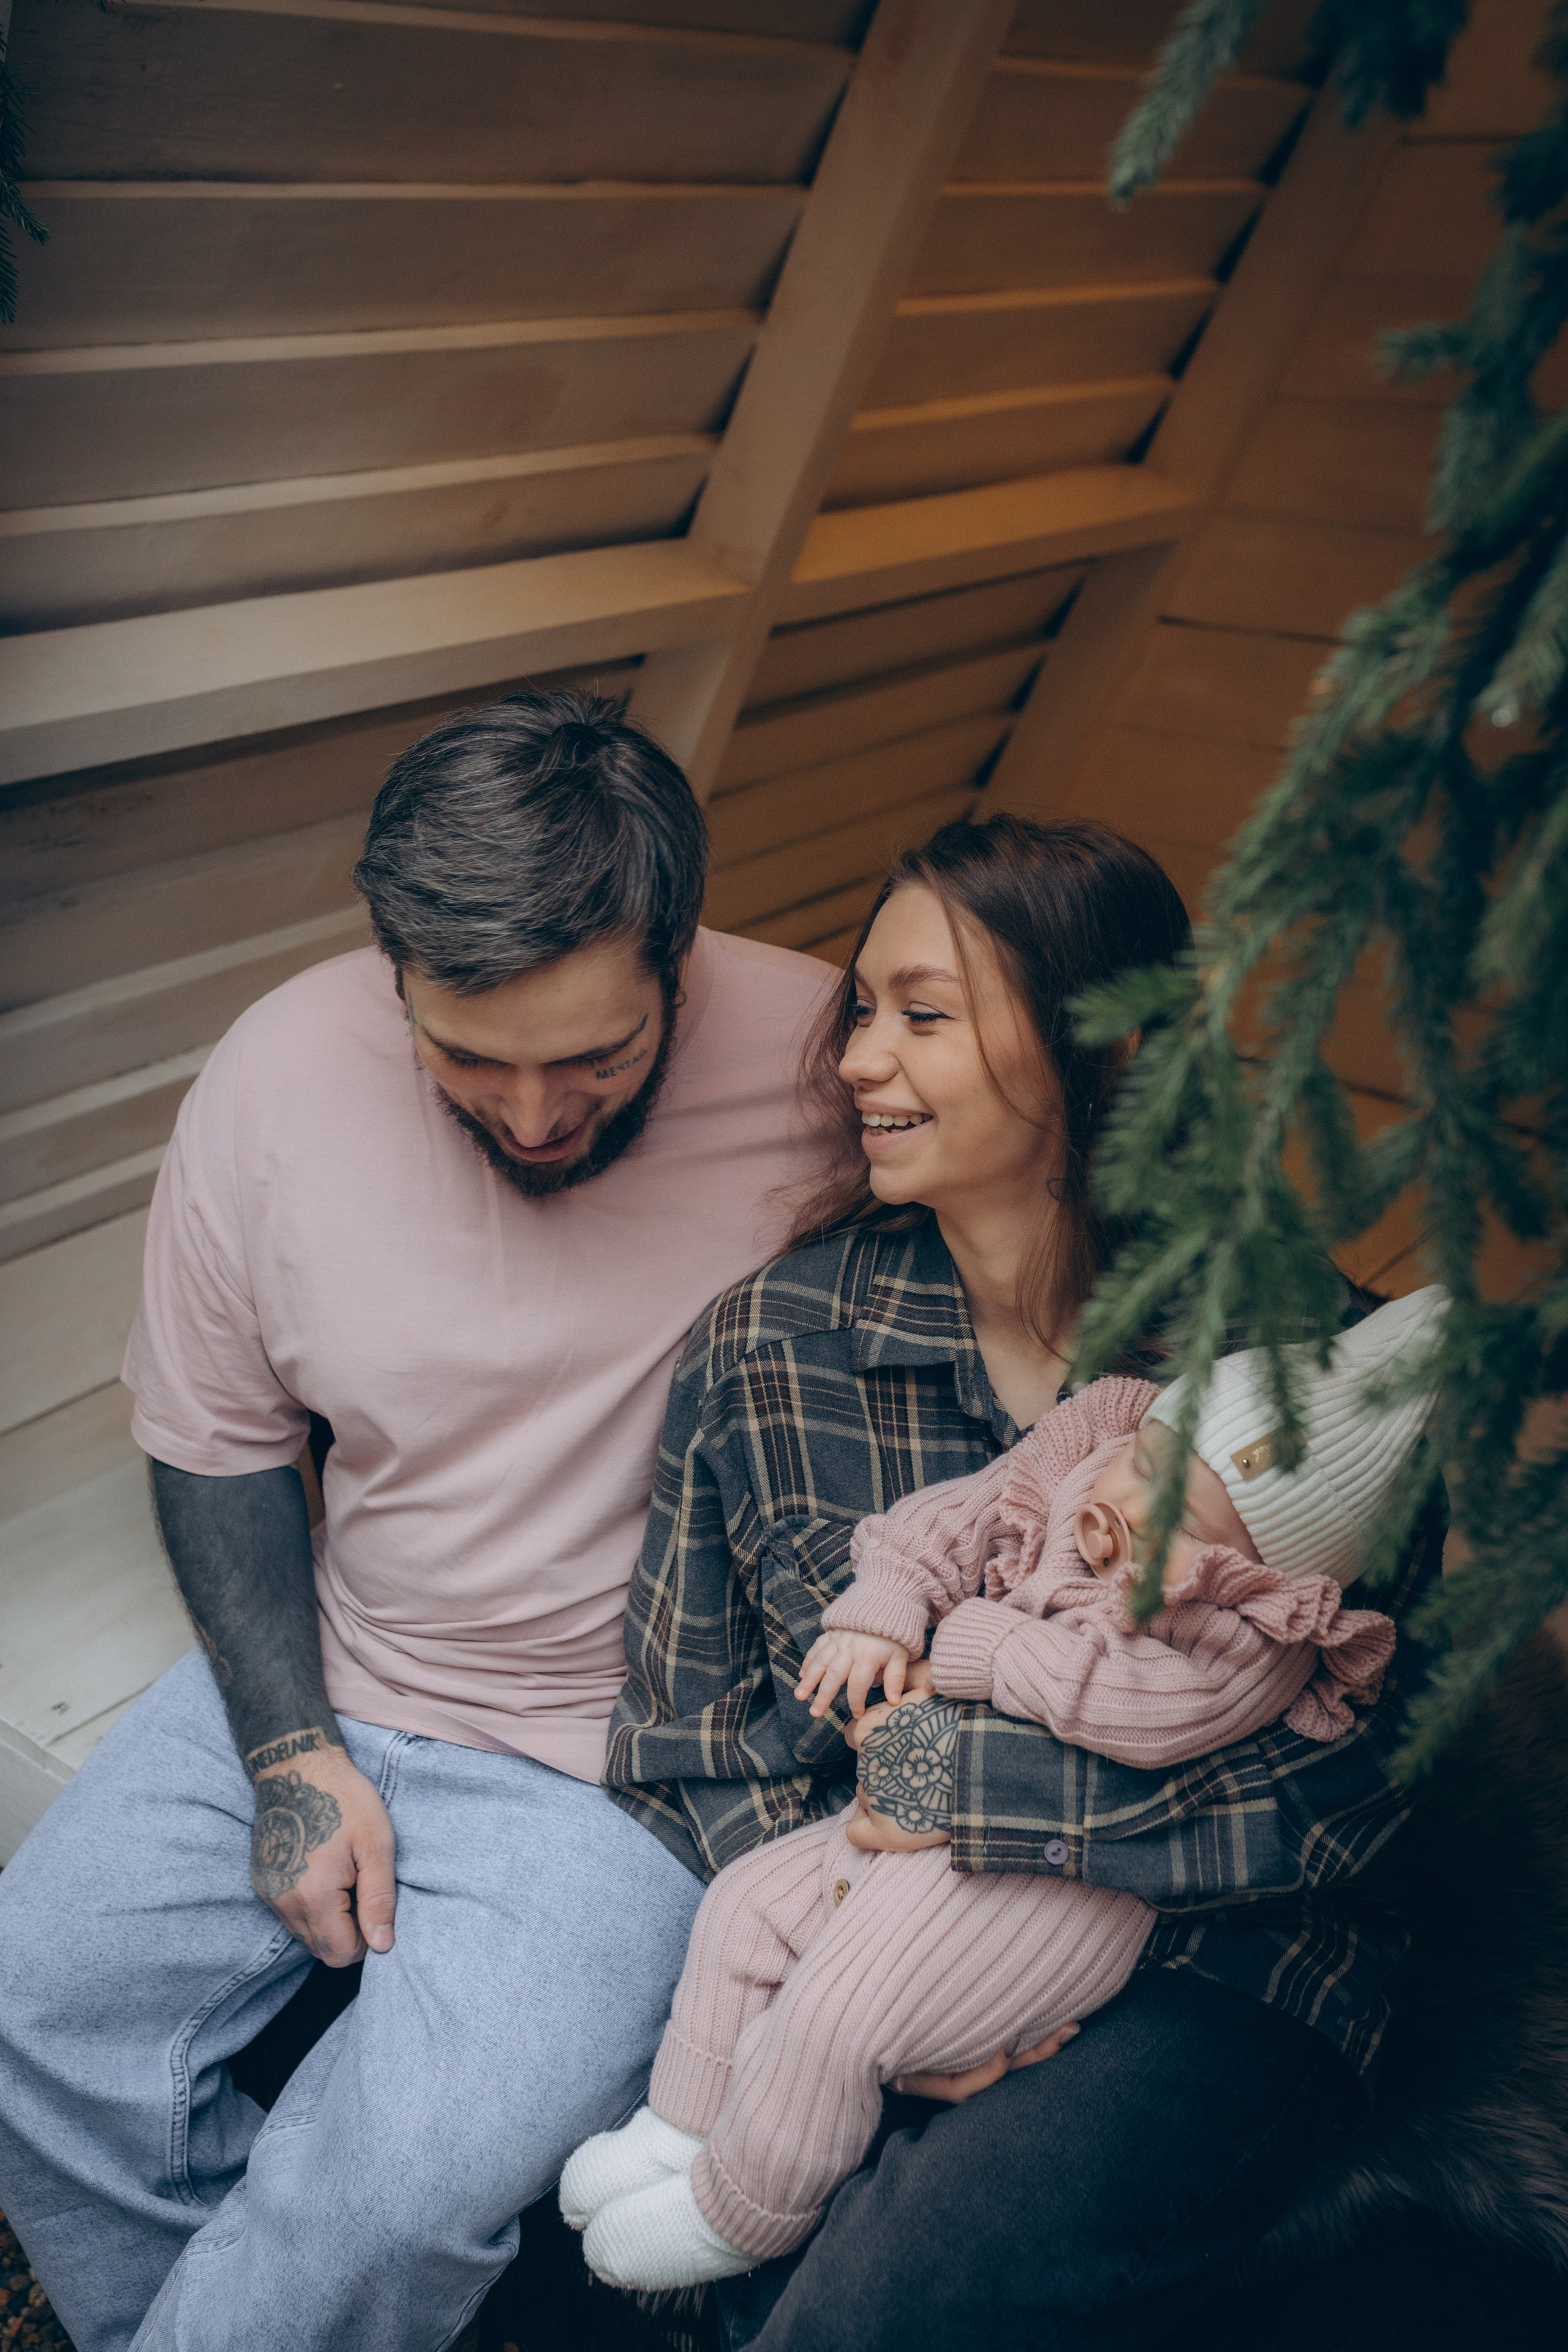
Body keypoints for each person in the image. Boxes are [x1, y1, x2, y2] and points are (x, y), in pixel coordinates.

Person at [0, 690, 832, 2352]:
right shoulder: (277, 1073)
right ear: (394, 977)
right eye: (471, 1057)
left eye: (596, 1056)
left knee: (398, 2188)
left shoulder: (835, 1070)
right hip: (351, 1660)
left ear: (685, 959)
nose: (534, 1115)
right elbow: (219, 1440)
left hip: (633, 1770)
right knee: (34, 2014)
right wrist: (293, 1751)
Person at [603, 812, 1446, 2350]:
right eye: (860, 1007)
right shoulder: (772, 1347)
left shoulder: (1305, 1396)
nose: (858, 1056)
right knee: (726, 2260)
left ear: (1101, 1055)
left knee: (867, 2307)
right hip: (869, 1904)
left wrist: (952, 1811)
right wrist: (863, 1959)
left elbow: (1354, 1791)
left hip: (1222, 1966)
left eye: (921, 1016)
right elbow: (687, 1740)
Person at [566, 1289, 1441, 2288]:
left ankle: (740, 2214)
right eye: (1146, 1464)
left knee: (833, 2015)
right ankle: (678, 2128)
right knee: (742, 1910)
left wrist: (972, 1648)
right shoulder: (1085, 1470)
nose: (1129, 1510)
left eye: (1184, 1518)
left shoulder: (1253, 1637)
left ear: (1255, 1570)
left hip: (1058, 1893)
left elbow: (1133, 1712)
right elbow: (961, 1513)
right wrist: (891, 1607)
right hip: (912, 1833)